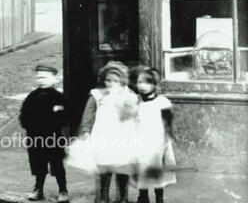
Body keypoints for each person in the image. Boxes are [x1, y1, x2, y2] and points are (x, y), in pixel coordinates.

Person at [78, 61, 138, 203]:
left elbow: (136, 115)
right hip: (103, 135)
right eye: (108, 80)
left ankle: (122, 197)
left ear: (122, 81)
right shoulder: (97, 95)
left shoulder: (129, 96)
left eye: (115, 81)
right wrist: (86, 130)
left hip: (123, 136)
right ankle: (102, 197)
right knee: (104, 167)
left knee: (122, 167)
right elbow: (88, 114)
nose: (111, 84)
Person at [19, 64, 70, 202]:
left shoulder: (59, 97)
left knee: (57, 164)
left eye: (45, 77)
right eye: (39, 77)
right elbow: (23, 116)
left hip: (53, 138)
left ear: (54, 79)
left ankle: (63, 190)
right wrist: (30, 128)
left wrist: (59, 115)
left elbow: (67, 117)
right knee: (39, 165)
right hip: (35, 138)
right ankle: (38, 189)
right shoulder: (32, 97)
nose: (41, 80)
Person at [132, 68, 176, 203]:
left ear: (154, 84)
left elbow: (168, 123)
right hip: (140, 142)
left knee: (157, 171)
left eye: (147, 82)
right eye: (139, 82)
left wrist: (168, 139)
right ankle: (143, 196)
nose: (142, 86)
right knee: (142, 169)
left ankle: (159, 197)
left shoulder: (162, 102)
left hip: (158, 142)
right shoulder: (135, 101)